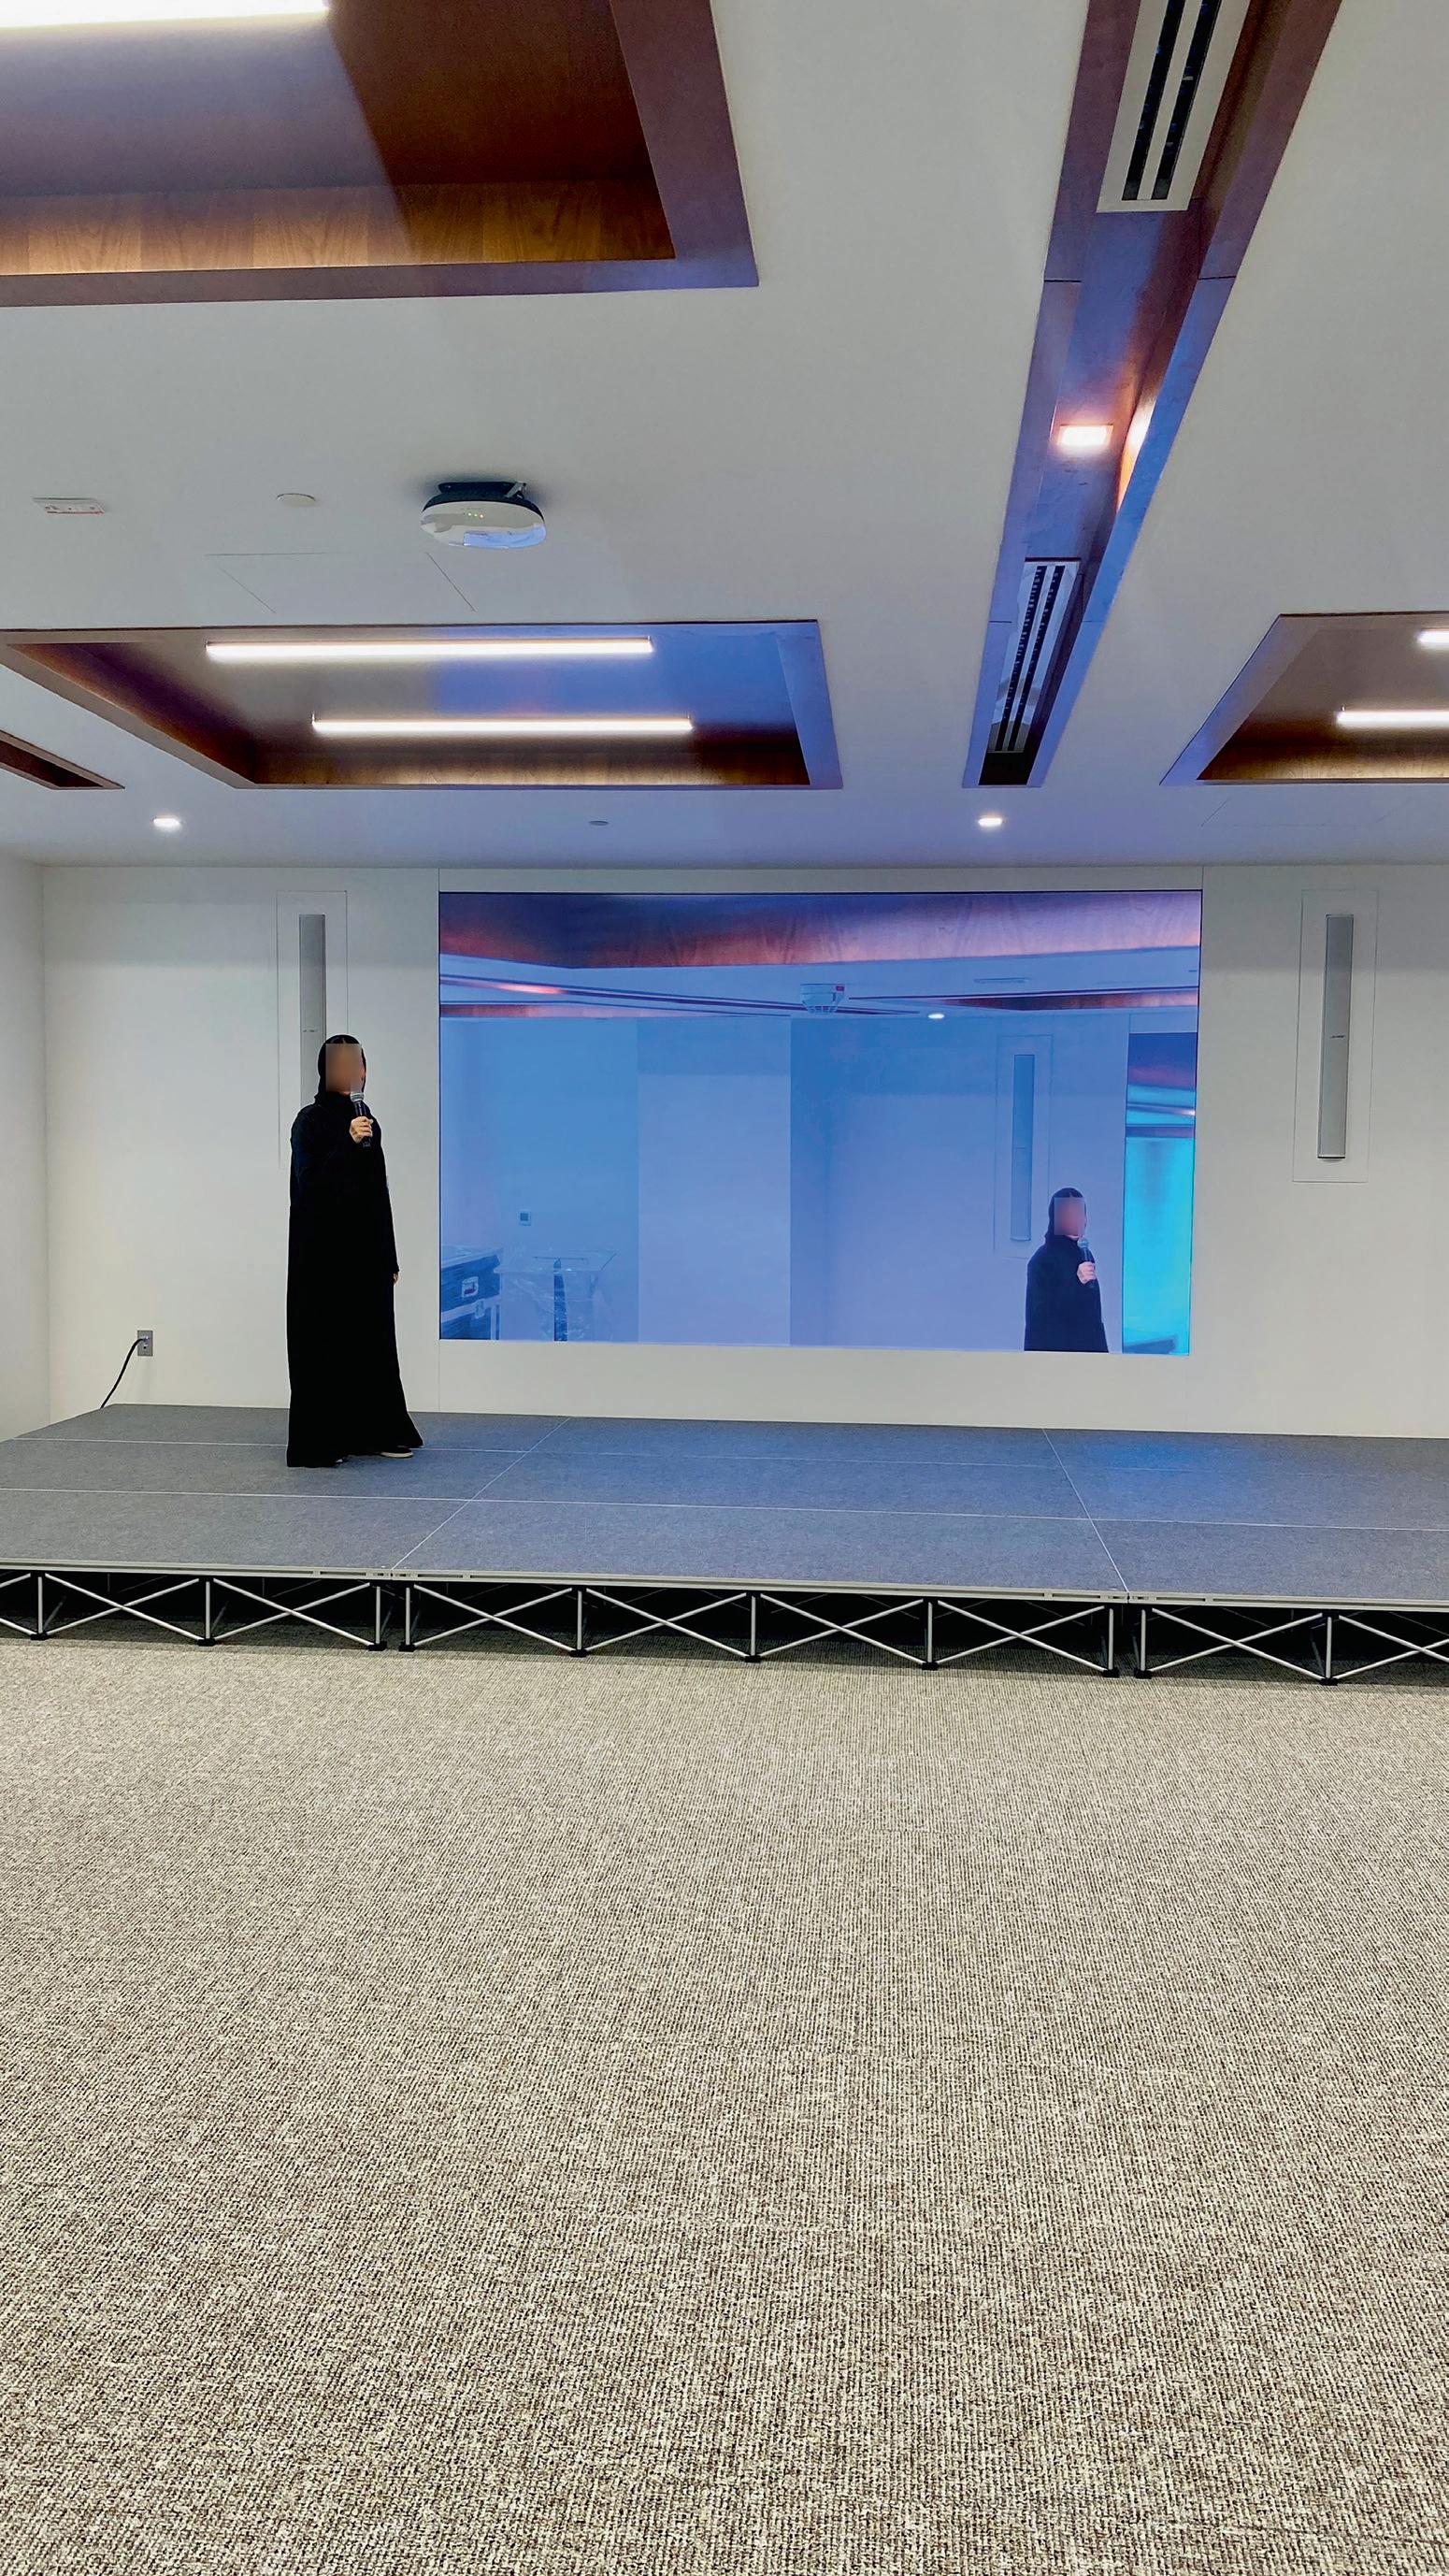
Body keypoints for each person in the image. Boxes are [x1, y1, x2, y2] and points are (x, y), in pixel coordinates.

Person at [286, 1035, 423, 1468]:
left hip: (365, 1254)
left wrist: (389, 1254)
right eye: (339, 1065)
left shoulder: (368, 1121)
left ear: (364, 1071)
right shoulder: (309, 1122)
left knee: (372, 1343)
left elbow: (377, 1192)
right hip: (322, 1256)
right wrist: (345, 1142)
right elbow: (309, 1184)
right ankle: (324, 1441)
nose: (350, 1073)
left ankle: (375, 1432)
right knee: (326, 1345)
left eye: (355, 1065)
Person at [1024, 1187, 1109, 1353]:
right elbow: (1041, 1320)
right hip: (1056, 1359)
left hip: (1090, 1358)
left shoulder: (1085, 1255)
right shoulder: (1042, 1260)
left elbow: (1093, 1318)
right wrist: (1075, 1282)